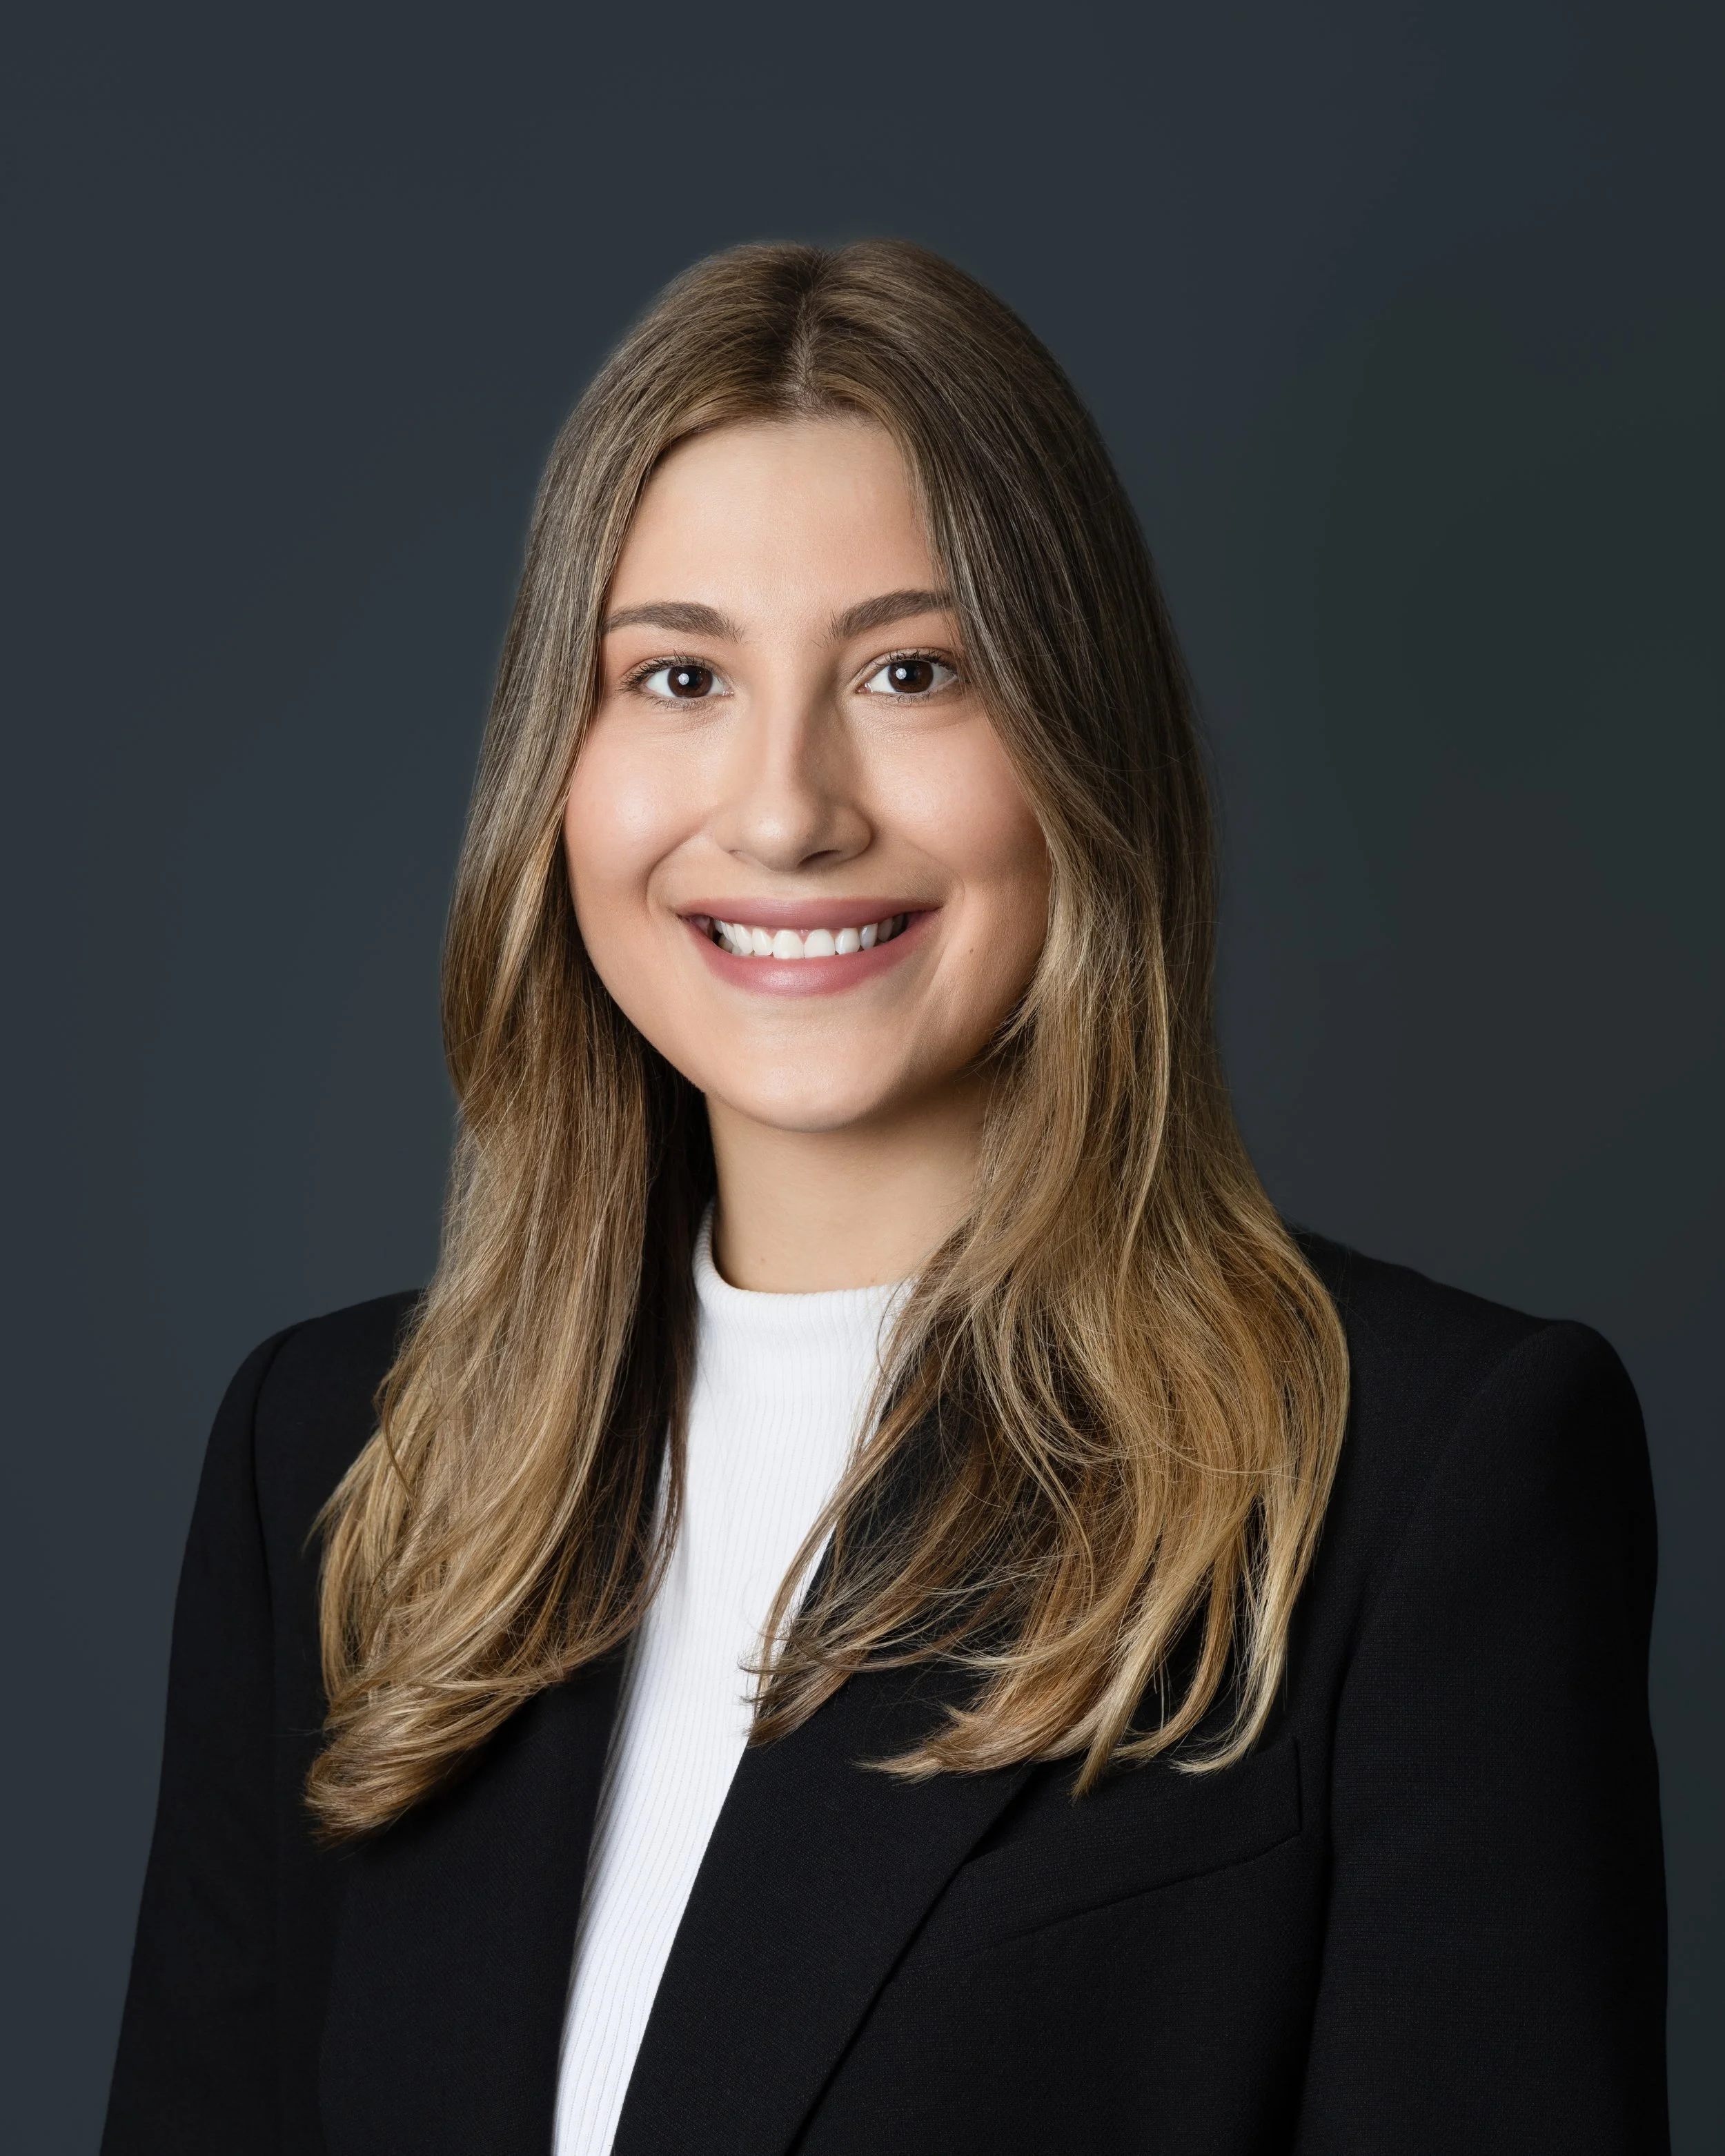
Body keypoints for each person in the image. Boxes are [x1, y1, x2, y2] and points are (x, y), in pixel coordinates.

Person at [101, 240, 1668, 2156]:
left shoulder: (1417, 1483)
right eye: (678, 677)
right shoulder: (336, 1457)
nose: (784, 810)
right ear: (555, 772)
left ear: (1081, 743)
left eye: (910, 672)